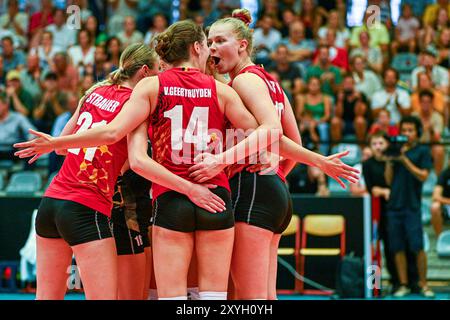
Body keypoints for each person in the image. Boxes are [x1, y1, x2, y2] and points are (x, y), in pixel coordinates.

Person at [14, 43, 225, 300]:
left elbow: (62, 149)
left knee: (46, 297)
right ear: (145, 72)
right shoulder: (137, 105)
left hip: (51, 204)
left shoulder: (93, 92)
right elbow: (134, 161)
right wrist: (191, 188)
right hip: (86, 209)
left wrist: (61, 144)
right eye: (158, 70)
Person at [195, 9, 359, 300]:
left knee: (250, 298)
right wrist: (295, 167)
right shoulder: (272, 82)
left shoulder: (243, 81)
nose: (212, 48)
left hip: (252, 189)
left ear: (242, 45)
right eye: (209, 42)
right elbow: (289, 141)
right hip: (275, 191)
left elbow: (271, 132)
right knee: (267, 296)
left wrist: (222, 160)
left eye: (220, 40)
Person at [384, 116, 435, 298]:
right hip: (394, 206)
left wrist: (404, 160)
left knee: (417, 246)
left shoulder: (422, 151)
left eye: (410, 130)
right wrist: (391, 160)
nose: (407, 134)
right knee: (397, 247)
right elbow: (388, 180)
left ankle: (424, 284)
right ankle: (403, 284)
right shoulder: (394, 151)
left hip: (412, 206)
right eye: (404, 130)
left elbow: (423, 176)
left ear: (417, 133)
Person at [431, 159, 450, 237]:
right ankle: (440, 237)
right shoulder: (445, 174)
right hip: (446, 206)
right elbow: (435, 196)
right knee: (435, 207)